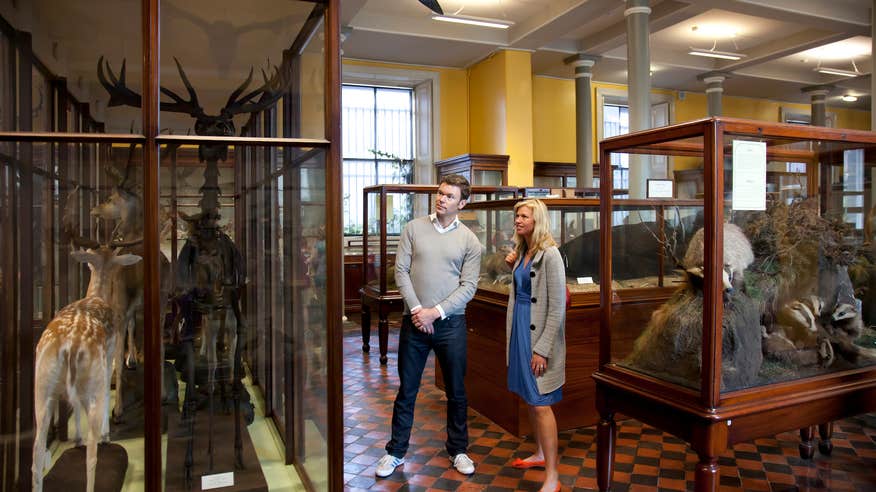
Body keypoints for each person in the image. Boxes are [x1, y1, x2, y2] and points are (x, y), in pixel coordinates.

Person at [375, 174, 483, 478]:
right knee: (407, 391)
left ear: (462, 203)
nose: (441, 199)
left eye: (449, 196)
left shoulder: (470, 241)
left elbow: (469, 287)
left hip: (451, 325)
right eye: (440, 193)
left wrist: (435, 312)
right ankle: (395, 452)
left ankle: (458, 450)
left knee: (457, 392)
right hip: (414, 323)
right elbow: (401, 272)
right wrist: (418, 310)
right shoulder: (414, 228)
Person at [503, 199, 566, 492]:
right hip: (520, 329)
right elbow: (521, 290)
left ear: (536, 220)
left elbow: (556, 308)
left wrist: (542, 348)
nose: (517, 219)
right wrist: (512, 266)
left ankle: (553, 476)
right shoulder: (523, 252)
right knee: (529, 396)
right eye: (517, 215)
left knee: (541, 403)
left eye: (523, 215)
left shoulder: (550, 254)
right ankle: (540, 453)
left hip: (538, 334)